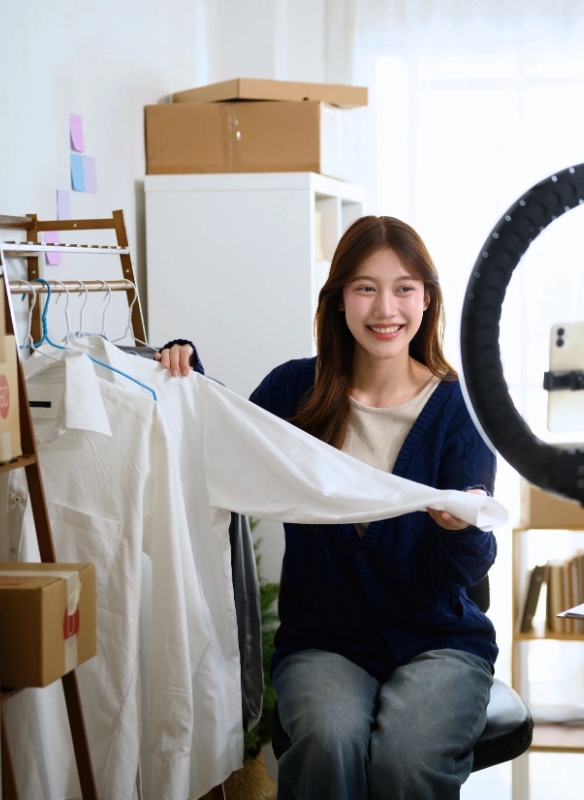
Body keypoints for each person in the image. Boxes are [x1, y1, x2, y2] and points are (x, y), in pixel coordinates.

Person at [157, 216, 497, 799]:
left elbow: (467, 571)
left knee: (407, 761)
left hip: (438, 641)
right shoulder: (296, 392)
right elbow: (222, 438)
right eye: (365, 287)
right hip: (324, 641)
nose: (385, 307)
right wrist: (186, 368)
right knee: (327, 741)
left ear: (428, 300)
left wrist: (460, 530)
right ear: (339, 299)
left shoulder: (460, 409)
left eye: (404, 288)